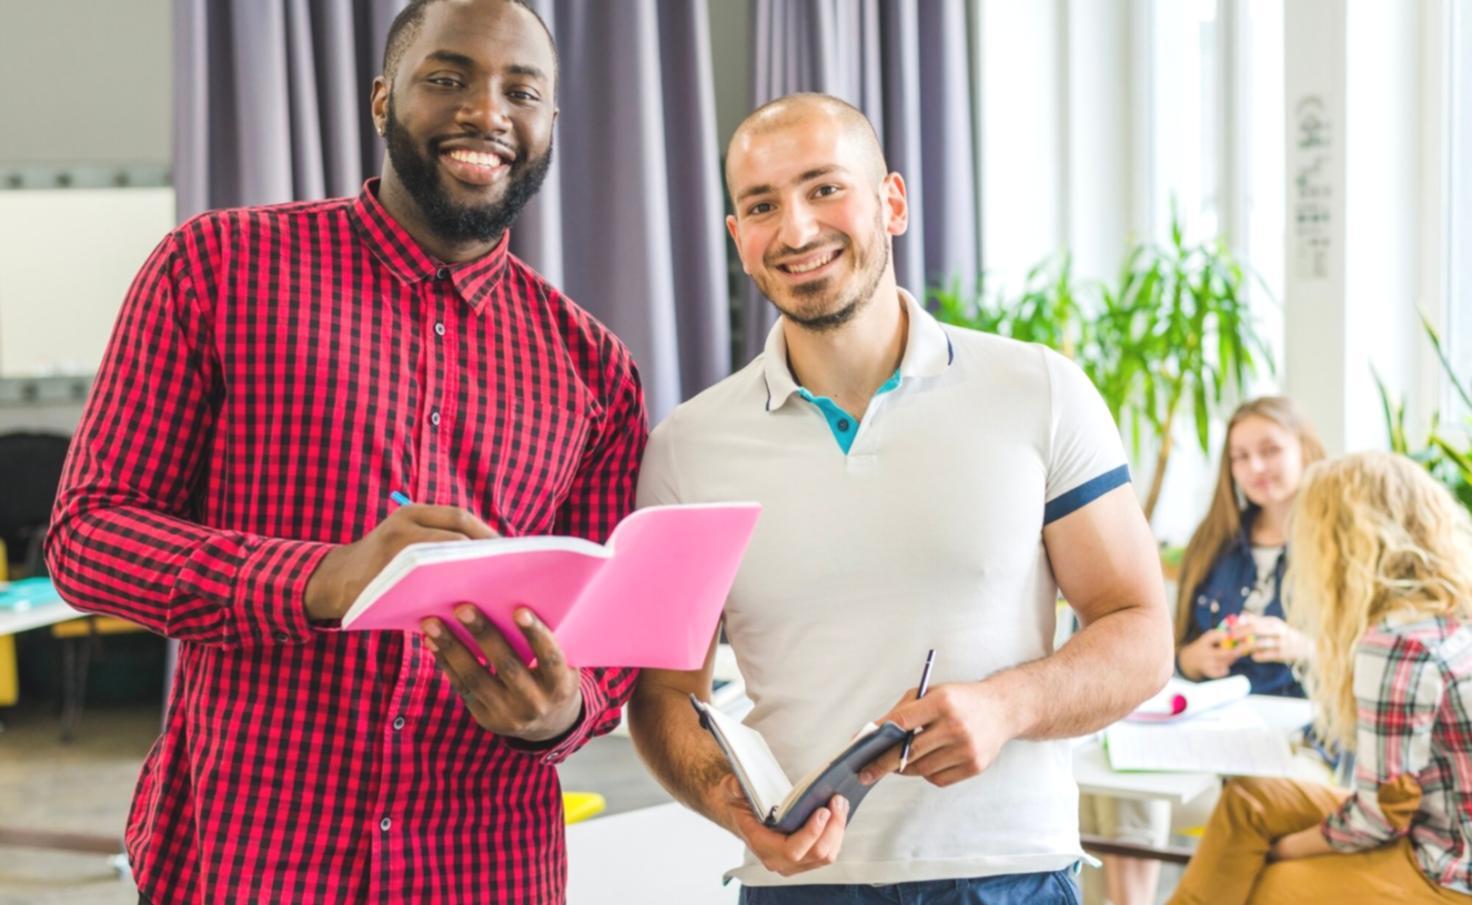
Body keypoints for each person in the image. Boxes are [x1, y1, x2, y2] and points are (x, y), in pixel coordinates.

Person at [44, 2, 648, 902]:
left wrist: (562, 712)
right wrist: (324, 577)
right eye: (447, 79)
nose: (487, 113)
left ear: (549, 124)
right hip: (250, 852)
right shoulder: (216, 269)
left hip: (484, 865)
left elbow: (610, 639)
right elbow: (87, 538)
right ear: (381, 100)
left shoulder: (596, 369)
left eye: (521, 92)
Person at [628, 93, 1173, 903]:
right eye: (762, 205)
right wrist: (736, 808)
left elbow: (1140, 631)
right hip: (798, 888)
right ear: (740, 240)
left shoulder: (1040, 390)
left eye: (823, 187)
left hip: (1009, 874)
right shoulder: (685, 448)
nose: (799, 229)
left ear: (892, 201)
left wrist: (1006, 706)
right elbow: (664, 693)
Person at [1168, 451, 1472, 904]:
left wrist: (1285, 850)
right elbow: (1393, 801)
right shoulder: (1445, 615)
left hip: (1445, 870)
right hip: (1432, 824)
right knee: (1249, 803)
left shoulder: (1395, 644)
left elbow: (1382, 816)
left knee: (1262, 883)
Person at [1082, 396, 1326, 905]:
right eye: (1240, 457)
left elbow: (1364, 659)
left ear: (1304, 449)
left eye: (1269, 450)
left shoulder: (1336, 546)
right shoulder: (1213, 542)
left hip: (1290, 738)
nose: (1254, 468)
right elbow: (1164, 651)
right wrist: (1192, 659)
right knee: (1117, 786)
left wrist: (1303, 647)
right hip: (1204, 728)